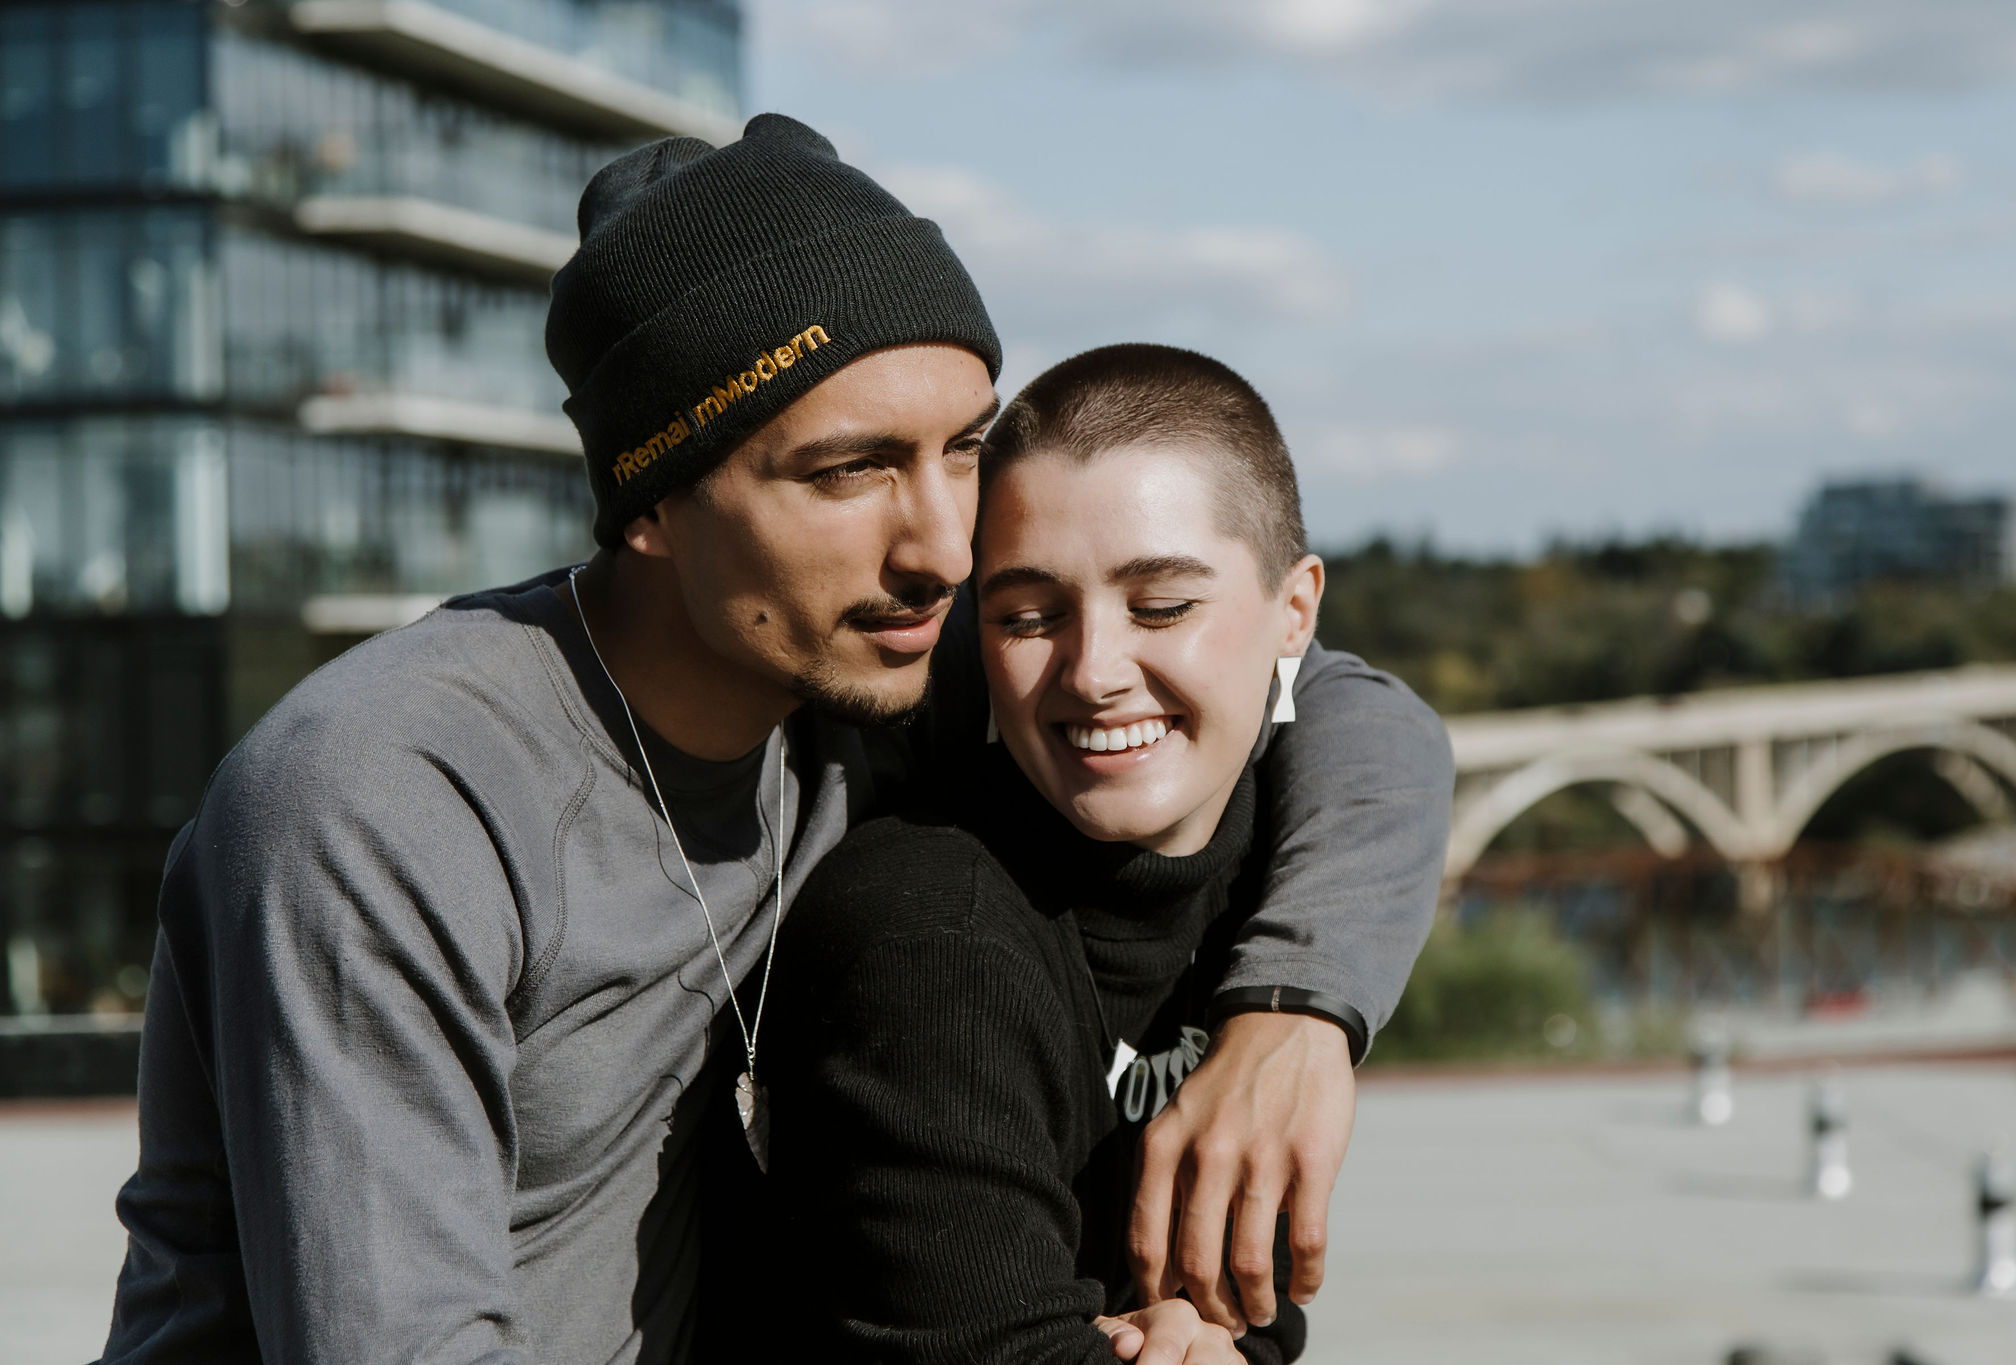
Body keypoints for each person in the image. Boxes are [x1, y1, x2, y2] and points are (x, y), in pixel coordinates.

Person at [100, 118, 1452, 1365]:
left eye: (962, 447)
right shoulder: (387, 798)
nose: (943, 548)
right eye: (850, 470)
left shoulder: (878, 653)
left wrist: (1294, 1014)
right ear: (650, 505)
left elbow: (1339, 706)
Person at [702, 343, 1408, 1365]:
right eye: (1028, 617)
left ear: (1293, 612)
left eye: (1161, 606)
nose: (1094, 672)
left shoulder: (1279, 872)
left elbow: (1246, 1309)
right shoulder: (931, 937)